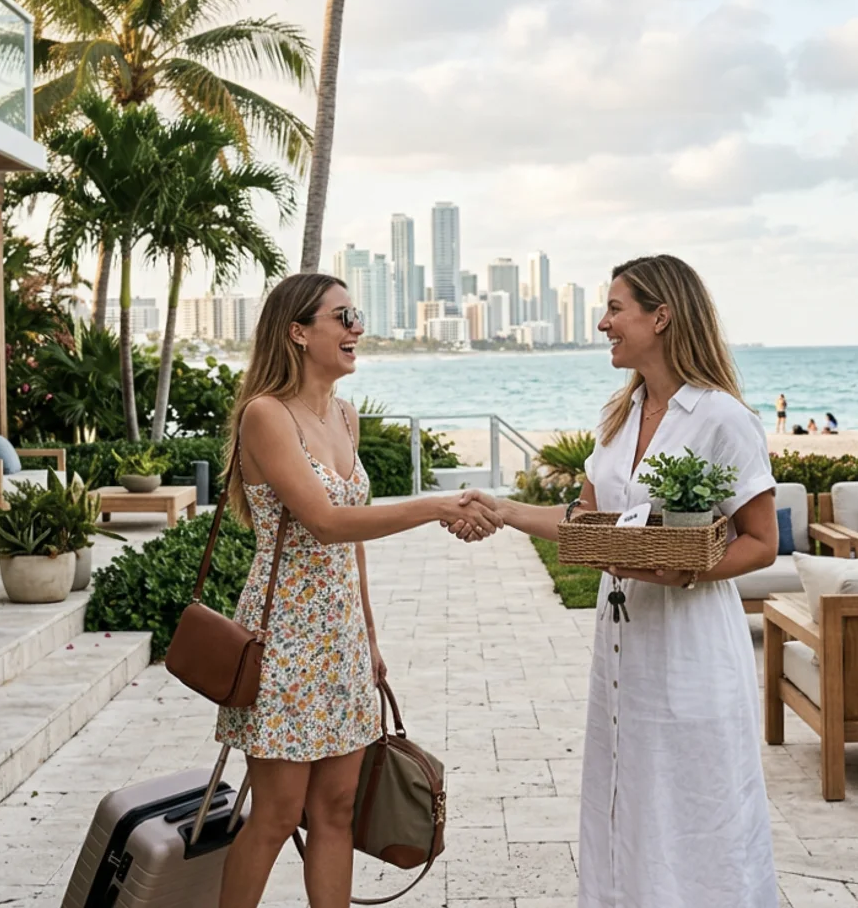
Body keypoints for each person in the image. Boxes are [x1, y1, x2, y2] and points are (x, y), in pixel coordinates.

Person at [454, 254, 779, 907]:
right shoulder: (621, 416)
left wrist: (684, 568)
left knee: (696, 801)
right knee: (626, 798)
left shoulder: (721, 418)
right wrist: (504, 510)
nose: (603, 324)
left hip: (691, 646)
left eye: (614, 309)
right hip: (622, 648)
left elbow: (762, 542)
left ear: (661, 317)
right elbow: (585, 521)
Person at [212, 273, 502, 908]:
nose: (357, 328)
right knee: (276, 815)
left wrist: (368, 634)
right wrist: (433, 507)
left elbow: (353, 542)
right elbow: (326, 521)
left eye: (356, 315)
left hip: (340, 636)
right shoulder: (266, 414)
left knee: (337, 808)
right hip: (284, 637)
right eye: (343, 317)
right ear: (298, 332)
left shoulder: (346, 415)